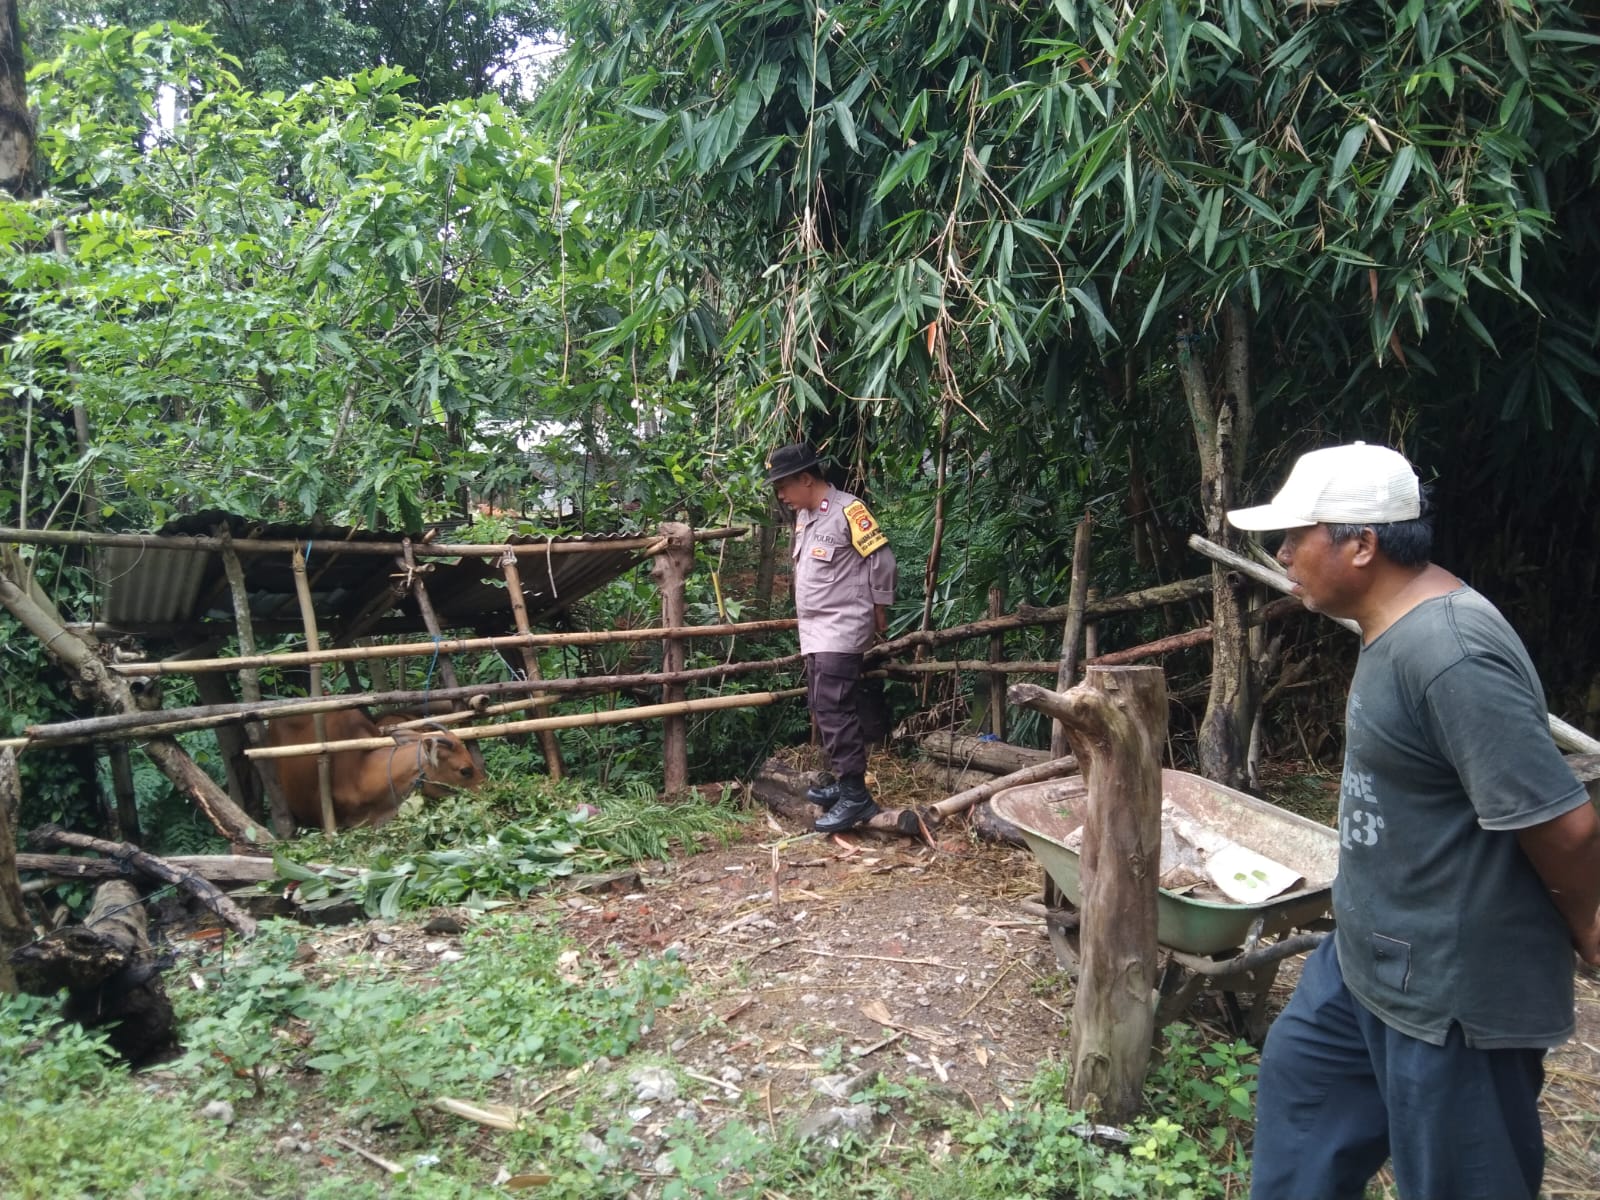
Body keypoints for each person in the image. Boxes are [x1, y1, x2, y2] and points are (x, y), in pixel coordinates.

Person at [1227, 441, 1600, 1200]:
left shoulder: (1450, 653)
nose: (1283, 552)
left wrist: (1592, 927)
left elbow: (1566, 829)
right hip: (1367, 960)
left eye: (1299, 534)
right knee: (1301, 1101)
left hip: (1449, 993)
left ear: (1361, 545)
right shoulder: (1388, 625)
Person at [765, 441, 898, 833]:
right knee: (824, 707)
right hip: (817, 630)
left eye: (784, 486)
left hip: (841, 626)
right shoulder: (806, 516)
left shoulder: (849, 510)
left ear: (807, 478)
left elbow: (883, 560)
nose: (781, 495)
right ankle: (844, 785)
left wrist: (879, 607)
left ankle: (856, 795)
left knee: (835, 709)